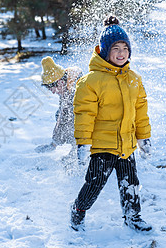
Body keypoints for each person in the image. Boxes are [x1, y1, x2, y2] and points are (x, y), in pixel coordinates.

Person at [70, 16, 152, 232]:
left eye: (125, 48)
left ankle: (133, 217)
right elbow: (84, 114)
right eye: (116, 48)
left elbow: (140, 111)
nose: (121, 53)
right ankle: (78, 211)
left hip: (126, 145)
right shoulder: (91, 81)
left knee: (130, 183)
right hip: (101, 146)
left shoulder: (134, 78)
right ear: (104, 51)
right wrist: (83, 143)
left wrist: (143, 137)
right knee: (95, 184)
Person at [36, 56, 83, 161]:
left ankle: (78, 154)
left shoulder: (76, 91)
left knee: (71, 118)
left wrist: (54, 144)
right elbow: (61, 115)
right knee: (58, 114)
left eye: (52, 88)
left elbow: (65, 118)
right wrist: (55, 143)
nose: (53, 92)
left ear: (60, 82)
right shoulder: (67, 88)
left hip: (98, 128)